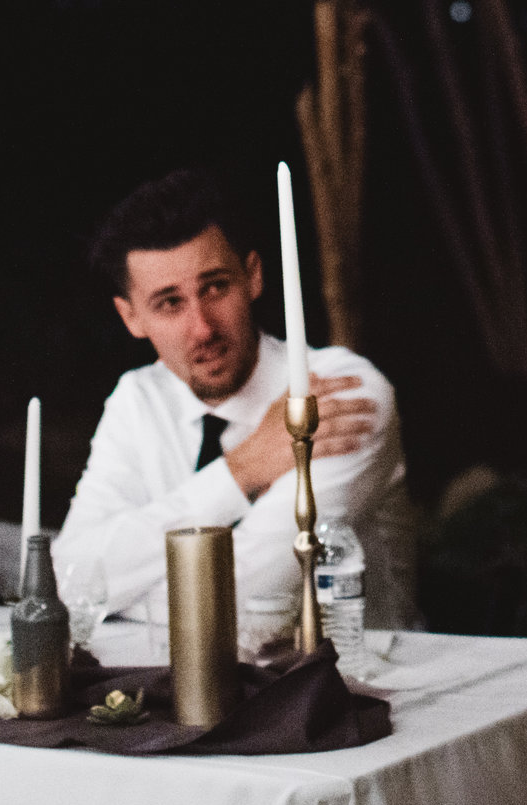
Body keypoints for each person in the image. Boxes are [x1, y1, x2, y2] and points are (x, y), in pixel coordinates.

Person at [55, 168, 416, 628]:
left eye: (215, 287)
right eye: (170, 303)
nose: (202, 327)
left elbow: (254, 601)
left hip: (365, 684)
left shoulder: (341, 392)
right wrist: (242, 469)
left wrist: (118, 599)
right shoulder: (138, 399)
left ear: (253, 276)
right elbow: (70, 581)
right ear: (131, 317)